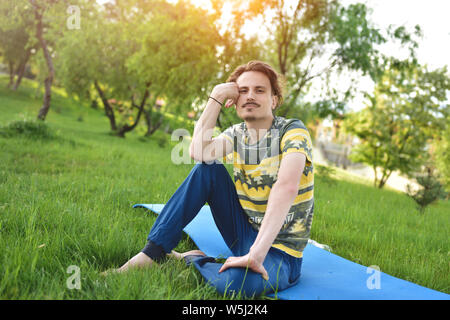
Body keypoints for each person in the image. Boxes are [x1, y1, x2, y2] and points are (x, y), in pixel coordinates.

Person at [111, 61, 314, 297]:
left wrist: (257, 254)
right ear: (234, 100)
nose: (250, 96)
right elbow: (198, 153)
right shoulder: (237, 134)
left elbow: (286, 186)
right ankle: (152, 253)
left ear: (274, 100)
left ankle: (191, 260)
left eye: (260, 90)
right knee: (207, 169)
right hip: (244, 234)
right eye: (243, 91)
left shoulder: (293, 131)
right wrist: (215, 97)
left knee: (235, 285)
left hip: (280, 254)